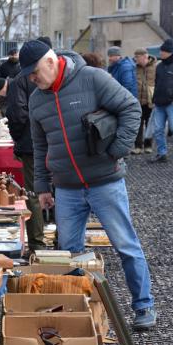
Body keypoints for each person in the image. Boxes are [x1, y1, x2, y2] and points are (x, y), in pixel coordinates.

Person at [21, 39, 156, 330]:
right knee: (70, 254)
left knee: (126, 246)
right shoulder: (36, 100)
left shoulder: (92, 78)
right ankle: (77, 311)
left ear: (50, 61)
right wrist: (43, 187)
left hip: (104, 181)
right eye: (29, 76)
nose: (33, 79)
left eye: (35, 73)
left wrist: (118, 149)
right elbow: (40, 145)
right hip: (67, 188)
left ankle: (144, 306)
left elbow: (131, 108)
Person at [5, 36, 53, 252]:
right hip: (51, 143)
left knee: (34, 194)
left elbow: (16, 114)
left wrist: (18, 139)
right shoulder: (57, 77)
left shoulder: (19, 80)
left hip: (30, 145)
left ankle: (37, 243)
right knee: (60, 190)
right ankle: (63, 239)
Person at [133, 48, 157, 154]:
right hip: (137, 100)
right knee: (138, 124)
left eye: (137, 57)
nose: (136, 59)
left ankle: (148, 145)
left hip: (150, 100)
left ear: (145, 56)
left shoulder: (155, 67)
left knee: (149, 123)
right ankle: (138, 146)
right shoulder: (133, 68)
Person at [0, 48, 21, 116]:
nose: (14, 57)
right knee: (6, 111)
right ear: (9, 55)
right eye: (12, 55)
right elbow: (0, 79)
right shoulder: (3, 66)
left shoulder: (21, 65)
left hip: (19, 91)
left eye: (16, 55)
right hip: (5, 93)